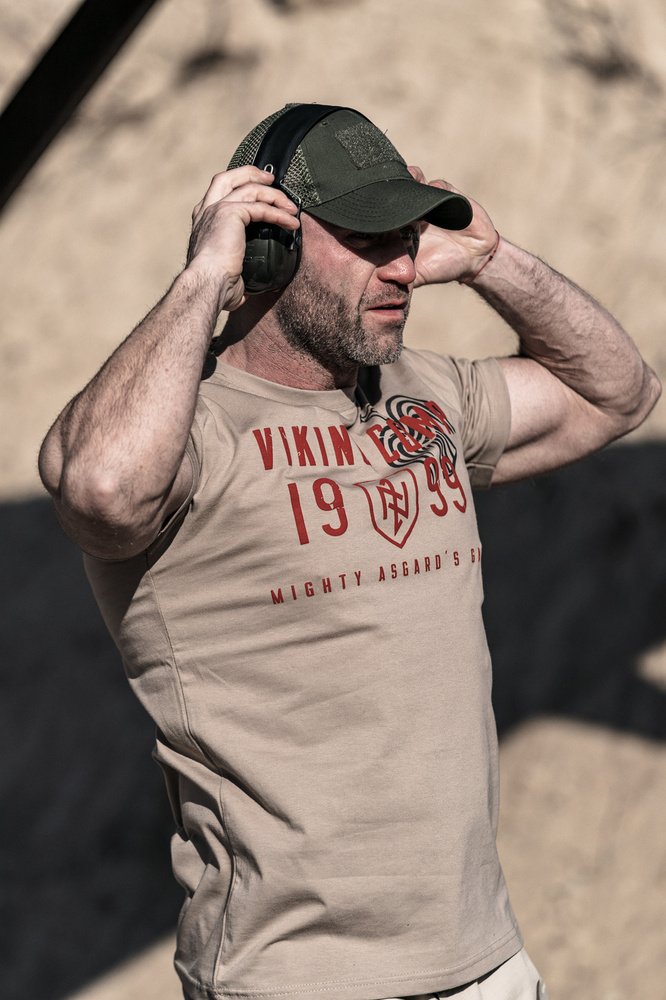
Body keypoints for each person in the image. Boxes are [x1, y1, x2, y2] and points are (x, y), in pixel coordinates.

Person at [39, 104, 659, 1000]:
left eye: (405, 237)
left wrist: (492, 260)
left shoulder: (423, 392)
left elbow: (619, 394)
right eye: (368, 239)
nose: (402, 267)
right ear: (270, 248)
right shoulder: (186, 430)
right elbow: (101, 492)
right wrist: (205, 277)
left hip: (484, 960)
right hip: (298, 976)